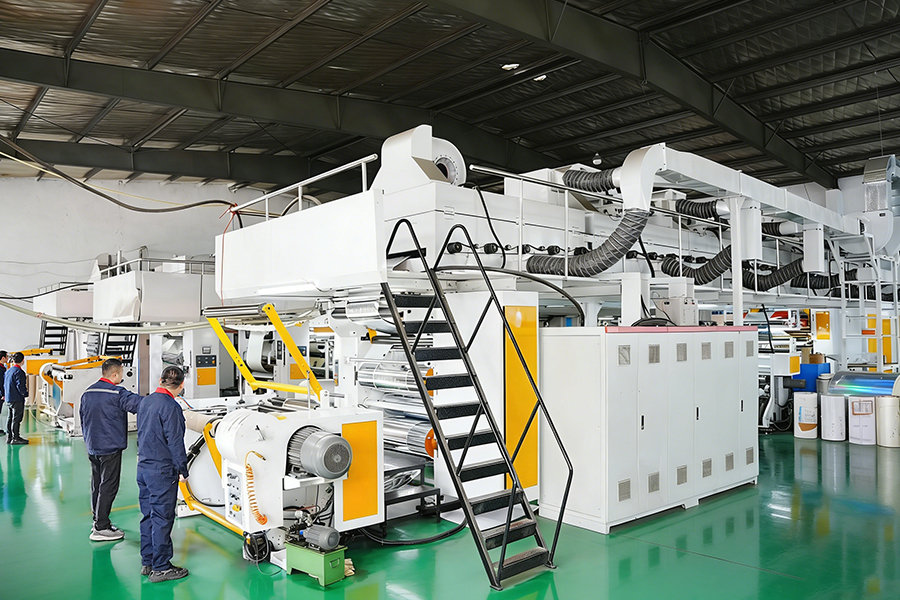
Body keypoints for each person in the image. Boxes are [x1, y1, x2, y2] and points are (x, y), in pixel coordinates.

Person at [80, 358, 143, 542]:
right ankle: (101, 528)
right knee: (109, 485)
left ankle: (98, 520)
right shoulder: (117, 393)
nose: (122, 376)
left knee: (97, 483)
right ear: (115, 374)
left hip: (92, 446)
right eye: (121, 373)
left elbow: (83, 418)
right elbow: (140, 405)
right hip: (110, 447)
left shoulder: (88, 392)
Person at [137, 366, 190, 583]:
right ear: (182, 385)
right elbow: (175, 442)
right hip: (162, 471)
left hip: (144, 467)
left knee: (148, 515)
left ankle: (148, 561)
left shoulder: (146, 402)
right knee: (162, 518)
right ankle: (161, 568)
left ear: (160, 380)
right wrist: (183, 469)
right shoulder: (171, 407)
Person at [4, 352, 28, 444]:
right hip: (17, 399)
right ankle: (16, 438)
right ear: (23, 360)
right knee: (17, 419)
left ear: (13, 360)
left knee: (10, 418)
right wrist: (25, 394)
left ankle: (9, 437)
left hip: (9, 398)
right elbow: (20, 386)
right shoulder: (19, 372)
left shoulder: (8, 371)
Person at [0, 351, 8, 435]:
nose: (7, 358)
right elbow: (1, 382)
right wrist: (3, 394)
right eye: (7, 357)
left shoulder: (2, 367)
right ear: (3, 358)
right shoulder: (0, 369)